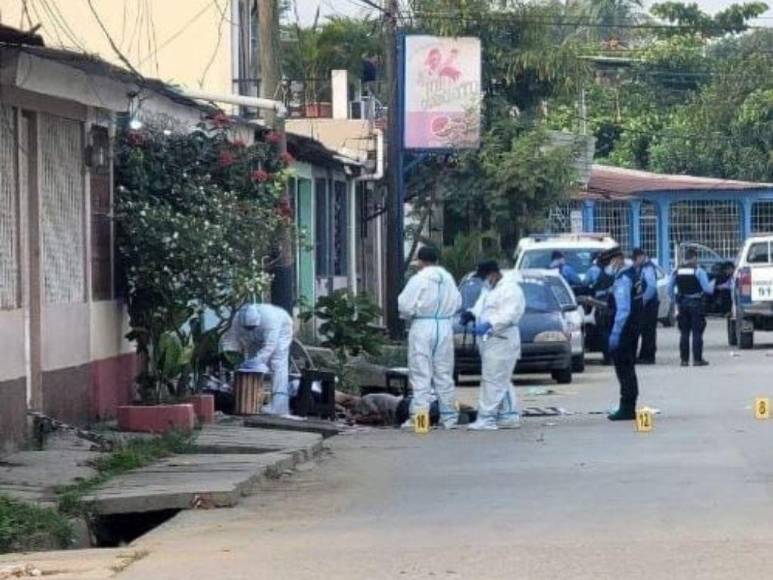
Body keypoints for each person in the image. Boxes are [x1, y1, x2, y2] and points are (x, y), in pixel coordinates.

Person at [398, 246, 462, 429]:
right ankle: (449, 419)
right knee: (444, 374)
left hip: (423, 326)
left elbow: (404, 305)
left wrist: (413, 313)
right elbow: (458, 302)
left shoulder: (419, 279)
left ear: (421, 261)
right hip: (444, 326)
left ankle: (420, 421)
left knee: (421, 375)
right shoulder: (448, 278)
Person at [465, 260, 527, 431]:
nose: (483, 281)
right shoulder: (490, 289)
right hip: (491, 340)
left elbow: (510, 314)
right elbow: (483, 307)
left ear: (492, 274)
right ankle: (508, 415)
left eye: (484, 277)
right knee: (501, 379)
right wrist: (471, 314)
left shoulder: (510, 289)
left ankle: (487, 418)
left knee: (493, 380)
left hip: (502, 339)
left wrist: (490, 324)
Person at [222, 303, 294, 416]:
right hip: (256, 337)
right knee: (251, 363)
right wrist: (230, 356)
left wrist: (256, 361)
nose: (250, 330)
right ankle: (252, 402)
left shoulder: (270, 319)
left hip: (282, 329)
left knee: (277, 362)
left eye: (252, 327)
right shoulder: (237, 320)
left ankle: (279, 407)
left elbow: (270, 346)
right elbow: (231, 339)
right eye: (247, 328)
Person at [600, 247, 644, 421]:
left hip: (625, 330)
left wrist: (615, 334)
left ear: (617, 260)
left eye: (610, 262)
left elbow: (623, 309)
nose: (609, 267)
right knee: (629, 368)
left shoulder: (623, 279)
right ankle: (628, 406)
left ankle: (627, 408)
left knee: (624, 369)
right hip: (633, 328)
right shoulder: (633, 275)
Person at [668, 248, 715, 367]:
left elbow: (669, 288)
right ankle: (697, 360)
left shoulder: (677, 270)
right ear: (694, 258)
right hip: (696, 304)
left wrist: (675, 300)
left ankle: (684, 360)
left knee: (684, 333)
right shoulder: (699, 271)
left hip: (682, 303)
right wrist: (713, 283)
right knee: (697, 332)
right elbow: (707, 290)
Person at [633, 248, 659, 364]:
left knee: (648, 330)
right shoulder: (643, 267)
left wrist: (643, 300)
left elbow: (651, 287)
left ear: (641, 257)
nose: (636, 263)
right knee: (645, 330)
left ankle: (648, 356)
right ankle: (644, 355)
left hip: (650, 304)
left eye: (636, 260)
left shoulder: (648, 268)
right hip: (647, 303)